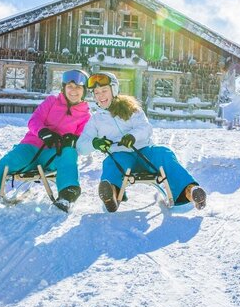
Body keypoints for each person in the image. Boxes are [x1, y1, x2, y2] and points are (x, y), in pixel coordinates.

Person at [76, 72, 207, 212]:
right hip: (121, 157)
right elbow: (81, 146)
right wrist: (95, 143)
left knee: (164, 152)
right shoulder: (96, 119)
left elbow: (146, 128)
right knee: (111, 162)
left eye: (104, 91)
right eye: (96, 92)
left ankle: (190, 191)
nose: (100, 95)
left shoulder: (131, 109)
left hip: (144, 153)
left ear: (113, 90)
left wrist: (133, 136)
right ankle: (111, 194)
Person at [0, 69, 91, 213]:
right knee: (14, 158)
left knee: (69, 154)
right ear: (64, 87)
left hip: (55, 154)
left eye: (78, 87)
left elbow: (81, 140)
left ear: (84, 91)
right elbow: (34, 120)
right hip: (32, 145)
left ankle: (68, 193)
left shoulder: (85, 116)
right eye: (70, 86)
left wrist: (71, 140)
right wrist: (43, 132)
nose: (73, 91)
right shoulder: (51, 102)